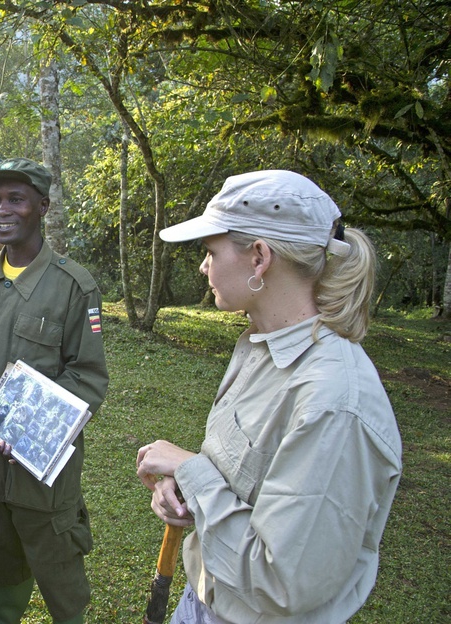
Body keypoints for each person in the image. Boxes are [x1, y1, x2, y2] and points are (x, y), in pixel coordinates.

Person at [135, 170, 403, 624]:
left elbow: (280, 582)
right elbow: (240, 482)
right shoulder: (261, 345)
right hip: (204, 599)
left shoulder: (333, 404)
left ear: (259, 258)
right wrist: (183, 493)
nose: (204, 267)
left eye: (210, 251)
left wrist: (189, 470)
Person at [0, 157, 109, 624]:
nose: (1, 210)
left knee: (56, 569)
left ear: (42, 206)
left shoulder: (73, 286)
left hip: (39, 464)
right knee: (1, 563)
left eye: (16, 199)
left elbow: (88, 376)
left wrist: (31, 430)